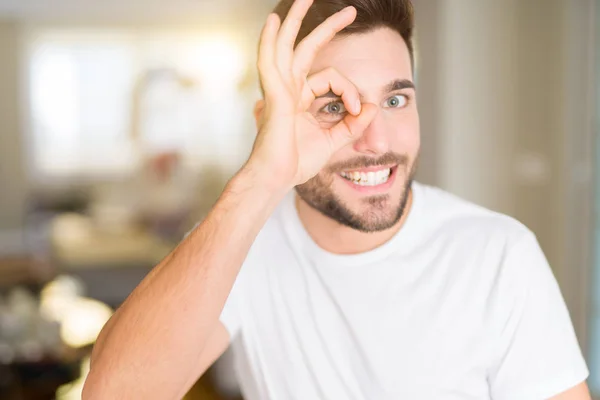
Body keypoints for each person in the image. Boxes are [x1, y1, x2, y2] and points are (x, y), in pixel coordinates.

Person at [82, 0, 591, 399]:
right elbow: (114, 393)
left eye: (396, 100)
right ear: (268, 125)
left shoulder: (498, 254)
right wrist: (262, 177)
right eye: (332, 105)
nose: (375, 141)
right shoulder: (242, 242)